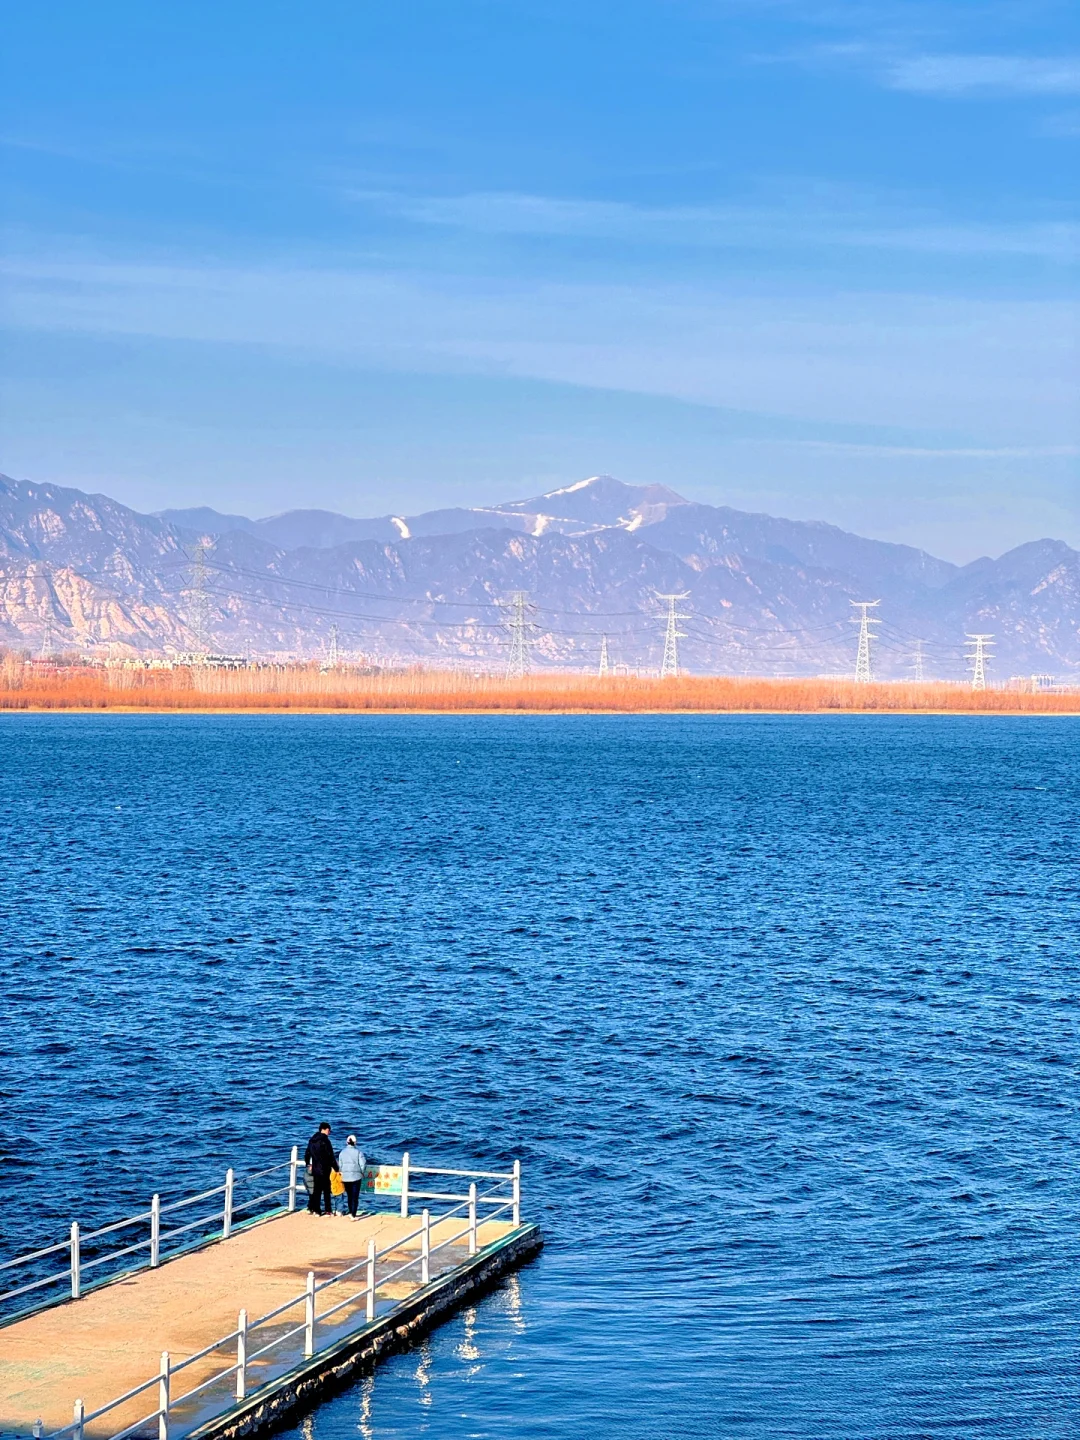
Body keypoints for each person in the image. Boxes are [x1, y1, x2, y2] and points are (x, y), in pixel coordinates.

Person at [305, 1122, 339, 1216]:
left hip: (315, 1168)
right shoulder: (325, 1140)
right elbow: (330, 1156)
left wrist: (308, 1164)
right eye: (329, 1130)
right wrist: (336, 1168)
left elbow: (307, 1153)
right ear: (324, 1129)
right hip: (325, 1168)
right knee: (326, 1190)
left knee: (317, 1190)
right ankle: (328, 1210)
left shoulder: (312, 1140)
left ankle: (316, 1210)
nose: (329, 1132)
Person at [338, 1134, 367, 1219]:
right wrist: (361, 1172)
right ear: (355, 1143)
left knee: (349, 1195)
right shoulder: (358, 1152)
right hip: (356, 1177)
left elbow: (340, 1165)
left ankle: (350, 1211)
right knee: (355, 1196)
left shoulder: (342, 1153)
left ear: (347, 1142)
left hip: (345, 1177)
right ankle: (353, 1214)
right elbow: (363, 1164)